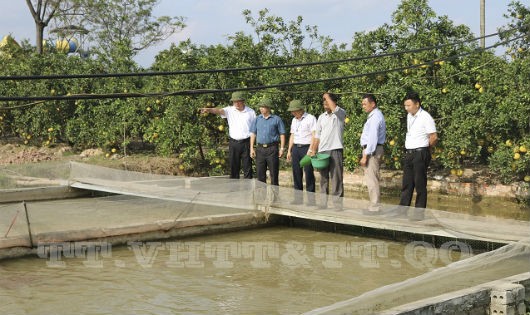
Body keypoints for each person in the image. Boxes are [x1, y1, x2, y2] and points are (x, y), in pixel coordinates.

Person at [200, 91, 256, 179]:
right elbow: (218, 110)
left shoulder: (251, 112)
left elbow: (253, 130)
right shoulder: (229, 110)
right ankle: (234, 189)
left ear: (243, 101)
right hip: (233, 143)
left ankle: (248, 190)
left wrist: (252, 147)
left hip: (246, 143)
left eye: (238, 101)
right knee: (234, 167)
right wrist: (209, 109)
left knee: (247, 167)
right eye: (234, 101)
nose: (236, 103)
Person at [399, 91, 438, 209]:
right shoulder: (409, 116)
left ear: (417, 104)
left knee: (419, 184)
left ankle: (419, 212)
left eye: (409, 105)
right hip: (409, 153)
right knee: (407, 183)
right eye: (405, 106)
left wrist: (426, 148)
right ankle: (402, 209)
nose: (406, 108)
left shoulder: (425, 117)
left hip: (420, 153)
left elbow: (433, 136)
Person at [311, 92, 346, 209]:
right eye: (324, 101)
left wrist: (326, 95)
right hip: (322, 151)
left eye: (327, 100)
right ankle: (322, 203)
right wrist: (313, 150)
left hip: (335, 149)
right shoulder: (321, 117)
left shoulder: (340, 113)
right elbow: (317, 136)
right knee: (323, 178)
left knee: (336, 177)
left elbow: (334, 108)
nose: (325, 102)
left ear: (333, 102)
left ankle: (337, 205)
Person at [286, 99, 317, 205]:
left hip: (306, 148)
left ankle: (311, 200)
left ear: (300, 109)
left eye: (294, 111)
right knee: (296, 173)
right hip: (296, 148)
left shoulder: (310, 118)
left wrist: (311, 149)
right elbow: (292, 135)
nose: (292, 113)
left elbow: (314, 134)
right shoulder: (294, 120)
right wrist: (289, 150)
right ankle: (298, 199)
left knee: (308, 173)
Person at [249, 98, 286, 185]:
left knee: (274, 174)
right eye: (260, 107)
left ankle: (275, 197)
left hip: (272, 149)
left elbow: (282, 134)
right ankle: (262, 197)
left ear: (269, 108)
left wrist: (282, 149)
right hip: (260, 149)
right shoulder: (257, 119)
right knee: (260, 175)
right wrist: (251, 148)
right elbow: (253, 134)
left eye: (263, 107)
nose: (261, 109)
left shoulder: (277, 119)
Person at [360, 93, 386, 213]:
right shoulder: (374, 116)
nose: (363, 106)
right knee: (372, 178)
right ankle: (374, 206)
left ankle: (375, 208)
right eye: (362, 104)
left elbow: (372, 138)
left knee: (372, 179)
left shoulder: (375, 117)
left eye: (365, 104)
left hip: (372, 151)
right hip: (372, 150)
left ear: (373, 104)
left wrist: (365, 155)